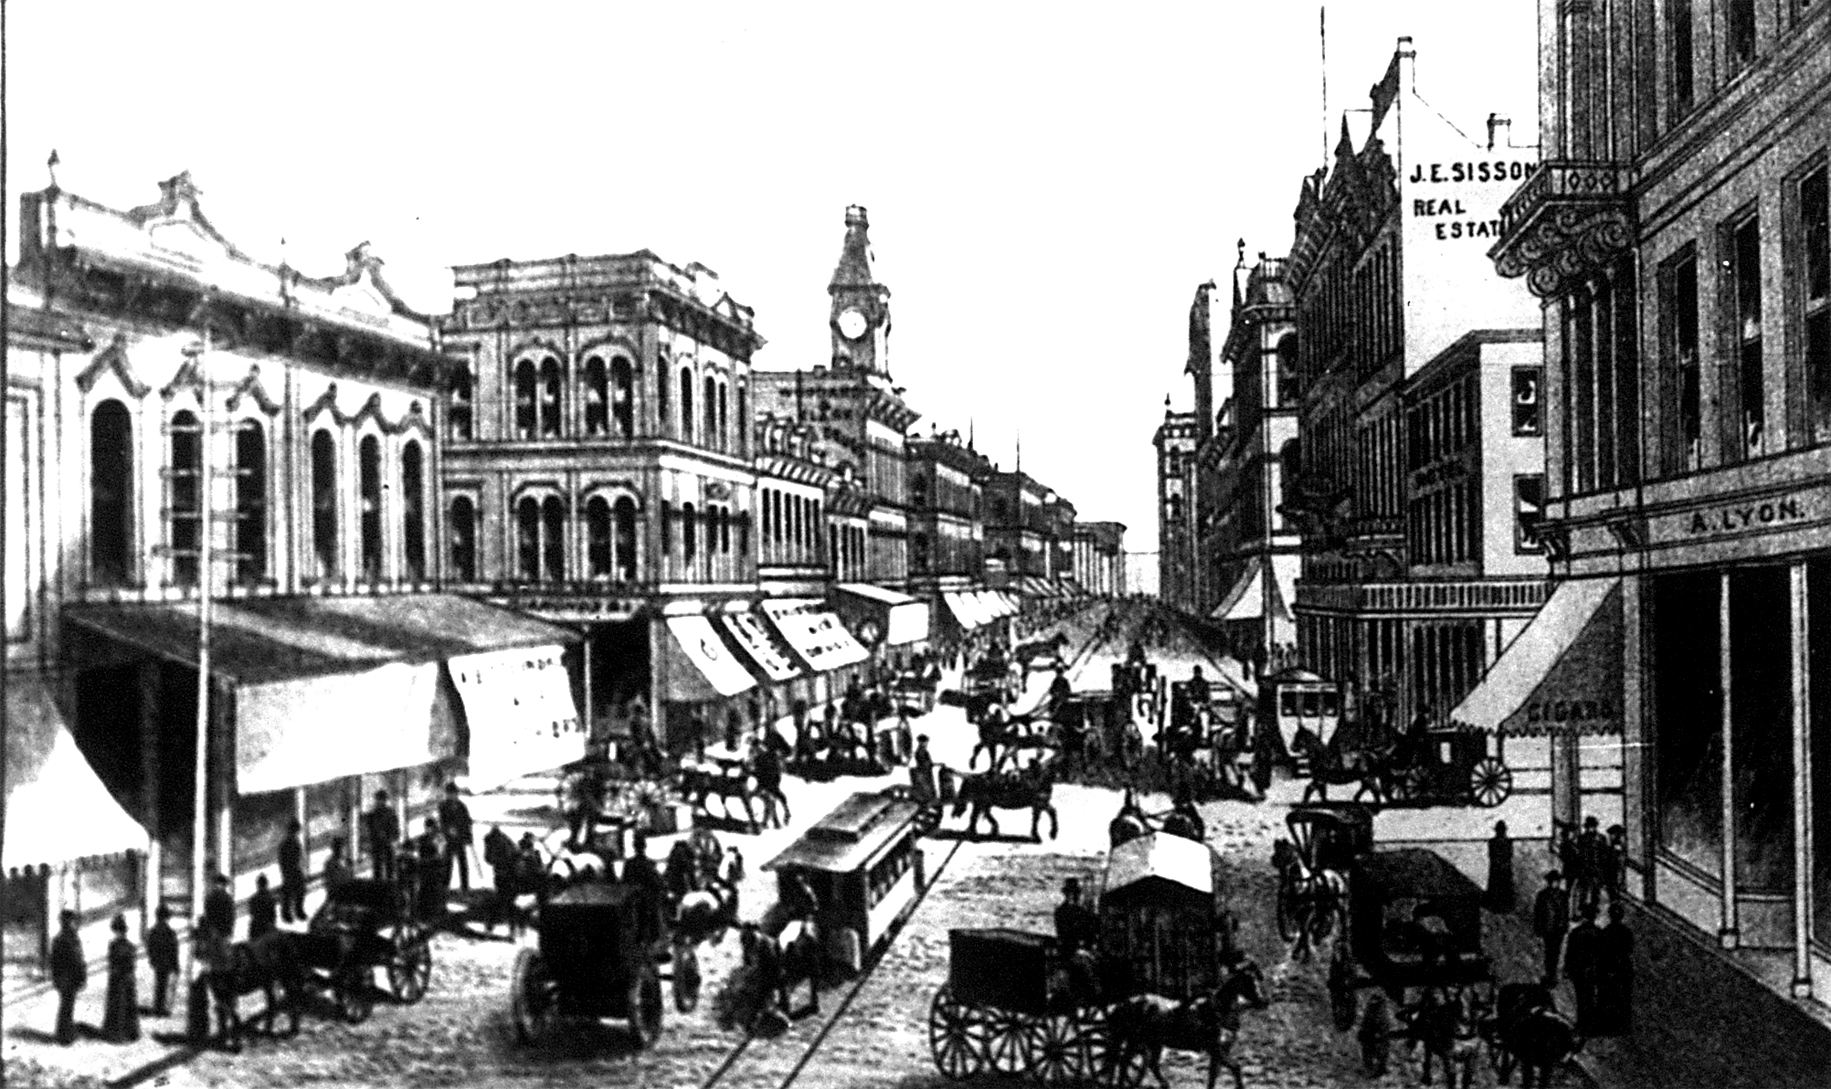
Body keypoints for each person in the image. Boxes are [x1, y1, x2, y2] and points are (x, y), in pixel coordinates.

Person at [1595, 900, 1634, 1036]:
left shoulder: (1605, 932)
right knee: (1623, 997)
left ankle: (1606, 1025)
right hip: (1623, 967)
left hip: (1608, 967)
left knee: (1606, 996)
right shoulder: (1626, 932)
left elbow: (1601, 952)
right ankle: (1622, 1025)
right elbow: (1629, 949)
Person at [1565, 900, 1604, 1034]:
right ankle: (1589, 1023)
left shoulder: (1576, 932)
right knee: (1591, 995)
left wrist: (1567, 969)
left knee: (1581, 997)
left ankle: (1581, 1023)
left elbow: (1570, 953)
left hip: (1579, 970)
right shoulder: (1599, 933)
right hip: (1593, 970)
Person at [102, 913, 140, 1043]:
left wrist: (116, 971)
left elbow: (113, 962)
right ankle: (130, 1032)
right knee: (127, 1005)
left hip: (118, 979)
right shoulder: (130, 946)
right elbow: (131, 964)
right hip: (127, 979)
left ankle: (116, 1033)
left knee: (118, 1006)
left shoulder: (114, 945)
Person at [50, 909, 86, 1045]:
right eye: (73, 922)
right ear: (68, 923)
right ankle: (65, 1036)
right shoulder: (71, 939)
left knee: (66, 1006)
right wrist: (82, 977)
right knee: (67, 1007)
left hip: (62, 979)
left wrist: (56, 979)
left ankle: (63, 1033)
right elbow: (77, 960)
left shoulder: (58, 939)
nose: (74, 924)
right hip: (70, 979)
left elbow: (53, 962)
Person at [1533, 870, 1571, 984]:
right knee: (1549, 951)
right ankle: (1550, 973)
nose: (1554, 883)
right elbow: (1538, 912)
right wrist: (1538, 927)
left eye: (1556, 881)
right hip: (1548, 928)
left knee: (1555, 952)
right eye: (1552, 881)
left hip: (1558, 929)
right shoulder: (1542, 895)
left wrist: (1565, 925)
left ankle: (1552, 974)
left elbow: (1566, 912)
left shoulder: (1563, 895)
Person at [439, 782, 475, 892]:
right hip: (449, 840)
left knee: (462, 863)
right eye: (450, 794)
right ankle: (445, 886)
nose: (452, 796)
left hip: (460, 839)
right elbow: (442, 822)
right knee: (447, 864)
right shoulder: (443, 806)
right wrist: (448, 830)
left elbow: (467, 822)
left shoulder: (461, 806)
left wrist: (469, 837)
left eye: (454, 793)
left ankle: (465, 886)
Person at [147, 902, 180, 1017]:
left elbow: (150, 947)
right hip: (167, 962)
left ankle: (158, 1006)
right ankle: (162, 1008)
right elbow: (174, 949)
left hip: (158, 962)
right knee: (165, 985)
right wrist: (176, 965)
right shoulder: (169, 932)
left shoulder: (153, 931)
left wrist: (152, 960)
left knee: (159, 984)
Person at [483, 824, 518, 934]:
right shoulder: (506, 840)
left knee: (500, 899)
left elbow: (489, 859)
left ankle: (491, 926)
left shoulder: (493, 841)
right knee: (508, 901)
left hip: (503, 874)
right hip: (509, 875)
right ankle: (511, 929)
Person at [1053, 878, 1098, 953]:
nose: (1074, 896)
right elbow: (1064, 934)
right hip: (1068, 950)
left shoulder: (1082, 911)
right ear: (1067, 895)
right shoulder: (1061, 911)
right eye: (1071, 893)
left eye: (1076, 893)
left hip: (1082, 949)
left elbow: (1091, 933)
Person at [754, 737, 790, 829]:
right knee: (770, 799)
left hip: (772, 781)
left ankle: (775, 820)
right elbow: (758, 774)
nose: (759, 749)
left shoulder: (771, 755)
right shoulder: (758, 758)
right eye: (757, 749)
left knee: (772, 799)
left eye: (759, 747)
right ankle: (774, 821)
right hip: (765, 783)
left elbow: (777, 769)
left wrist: (774, 782)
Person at [1576, 816, 1609, 914]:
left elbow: (1604, 854)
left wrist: (1602, 868)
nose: (1591, 829)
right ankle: (1582, 907)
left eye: (1592, 826)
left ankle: (1594, 906)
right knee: (1584, 889)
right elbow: (1580, 854)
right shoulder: (1582, 838)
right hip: (1585, 868)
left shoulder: (1601, 838)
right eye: (1589, 827)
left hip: (1597, 868)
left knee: (1596, 889)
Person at [366, 790, 401, 882]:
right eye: (378, 799)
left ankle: (389, 885)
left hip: (387, 843)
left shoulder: (390, 812)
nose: (379, 802)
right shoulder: (372, 814)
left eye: (381, 800)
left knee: (389, 868)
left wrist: (392, 838)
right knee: (377, 869)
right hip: (377, 844)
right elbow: (370, 829)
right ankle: (379, 886)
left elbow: (395, 827)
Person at [415, 818, 447, 919]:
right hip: (424, 867)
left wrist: (429, 859)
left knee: (435, 888)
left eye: (432, 828)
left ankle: (437, 910)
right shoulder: (422, 839)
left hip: (435, 867)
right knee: (423, 888)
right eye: (428, 828)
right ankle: (423, 910)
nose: (430, 830)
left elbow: (441, 854)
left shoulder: (439, 838)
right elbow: (417, 852)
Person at [1358, 988, 1393, 1077]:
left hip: (1376, 1032)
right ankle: (1373, 1067)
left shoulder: (1379, 1011)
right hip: (1372, 1032)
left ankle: (1378, 1067)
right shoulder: (1375, 1011)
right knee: (1371, 1049)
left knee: (1378, 1049)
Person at [278, 818, 307, 923]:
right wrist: (285, 872)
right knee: (289, 893)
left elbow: (299, 856)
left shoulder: (294, 842)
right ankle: (289, 913)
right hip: (289, 870)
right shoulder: (286, 843)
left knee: (300, 890)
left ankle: (297, 911)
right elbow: (282, 859)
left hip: (294, 869)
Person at [1485, 820, 1515, 913]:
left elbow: (1508, 855)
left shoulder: (1504, 842)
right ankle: (1499, 906)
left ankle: (1501, 906)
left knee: (1502, 888)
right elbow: (1493, 855)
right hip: (1500, 869)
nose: (1501, 832)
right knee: (1499, 888)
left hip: (1501, 869)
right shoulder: (1495, 842)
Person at [203, 873, 235, 940]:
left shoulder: (210, 898)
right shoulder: (227, 898)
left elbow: (208, 915)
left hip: (214, 931)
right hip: (223, 931)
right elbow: (231, 916)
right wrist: (229, 931)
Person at [247, 874, 278, 940]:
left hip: (256, 928)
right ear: (266, 884)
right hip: (268, 928)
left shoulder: (253, 898)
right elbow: (273, 916)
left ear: (257, 885)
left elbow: (251, 913)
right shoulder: (270, 898)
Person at [911, 735, 936, 804]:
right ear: (921, 742)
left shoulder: (923, 751)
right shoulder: (920, 751)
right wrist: (931, 764)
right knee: (927, 790)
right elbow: (924, 763)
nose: (926, 743)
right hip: (924, 772)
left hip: (926, 771)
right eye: (925, 742)